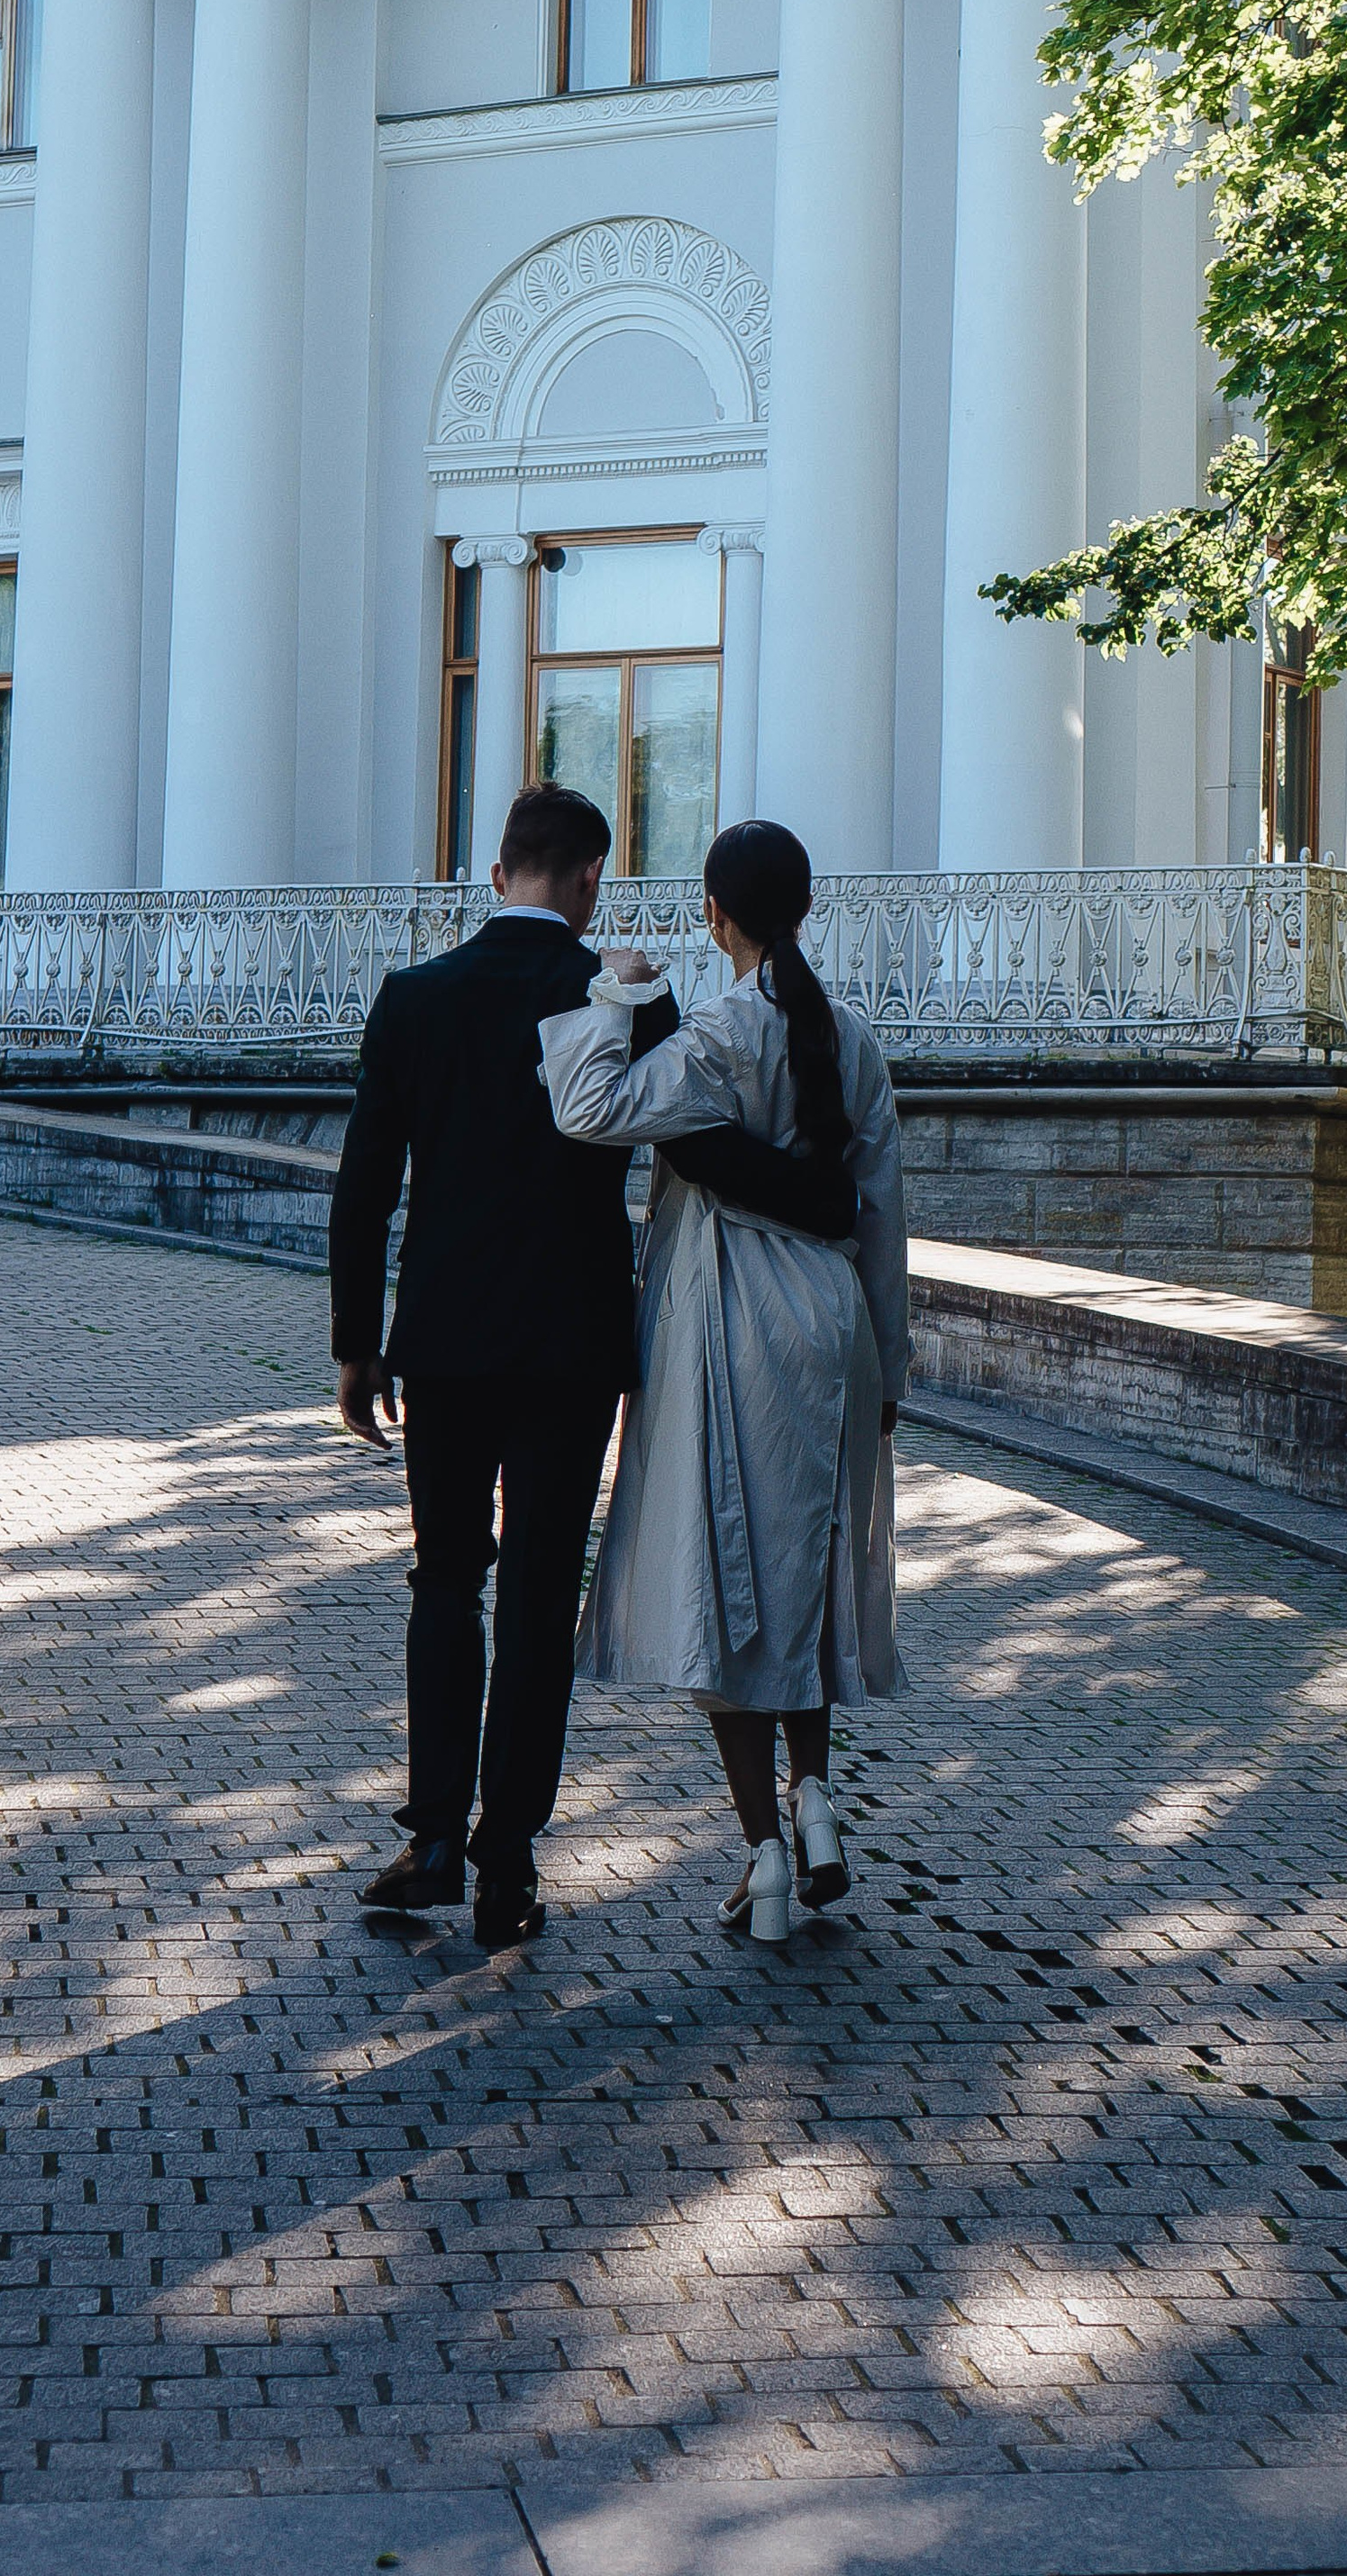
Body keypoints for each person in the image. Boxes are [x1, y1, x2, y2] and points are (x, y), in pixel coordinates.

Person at [329, 781, 851, 1949]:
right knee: (534, 1606)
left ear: (498, 870)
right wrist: (827, 1208)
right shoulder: (619, 995)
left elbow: (365, 1186)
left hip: (448, 1346)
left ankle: (427, 1836)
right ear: (586, 882)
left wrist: (357, 1346)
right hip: (571, 1354)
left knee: (443, 1582)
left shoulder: (415, 1000)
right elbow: (698, 1150)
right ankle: (505, 1862)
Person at [538, 817, 909, 1943]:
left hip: (731, 1318)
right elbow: (885, 1217)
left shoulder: (714, 1035)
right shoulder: (849, 1038)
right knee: (807, 1576)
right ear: (801, 908)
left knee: (725, 1586)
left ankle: (765, 1854)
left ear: (717, 914)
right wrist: (887, 1362)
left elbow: (589, 1109)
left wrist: (613, 996)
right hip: (833, 1322)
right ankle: (817, 1801)